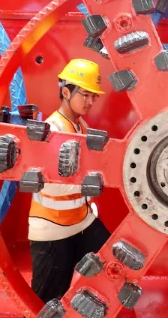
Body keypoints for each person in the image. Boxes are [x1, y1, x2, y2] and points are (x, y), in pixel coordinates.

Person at [29, 58, 112, 303]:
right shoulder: (52, 129)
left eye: (93, 97)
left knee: (113, 266)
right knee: (47, 300)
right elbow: (52, 180)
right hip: (54, 230)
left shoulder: (79, 126)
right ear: (66, 91)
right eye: (85, 94)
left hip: (83, 222)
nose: (90, 102)